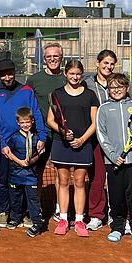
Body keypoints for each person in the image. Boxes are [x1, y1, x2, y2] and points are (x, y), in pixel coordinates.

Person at [83, 49, 132, 232]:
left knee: (122, 180)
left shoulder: (121, 82)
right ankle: (96, 215)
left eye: (112, 63)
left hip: (120, 141)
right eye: (105, 63)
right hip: (96, 140)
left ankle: (125, 217)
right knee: (97, 178)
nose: (108, 66)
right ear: (97, 64)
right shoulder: (87, 84)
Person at [0, 59, 46, 230]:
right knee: (4, 180)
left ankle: (25, 212)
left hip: (26, 144)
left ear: (15, 72)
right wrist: (4, 143)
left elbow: (36, 113)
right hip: (4, 146)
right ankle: (4, 211)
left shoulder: (27, 91)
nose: (7, 77)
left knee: (26, 180)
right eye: (3, 74)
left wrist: (42, 136)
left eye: (10, 73)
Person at [95, 73, 132, 247]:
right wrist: (112, 156)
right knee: (116, 196)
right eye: (112, 87)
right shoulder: (104, 109)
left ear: (126, 88)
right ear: (108, 89)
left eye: (120, 87)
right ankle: (117, 227)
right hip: (114, 162)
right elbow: (101, 135)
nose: (116, 90)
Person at [47, 59, 99, 237]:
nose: (75, 77)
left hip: (82, 145)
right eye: (72, 74)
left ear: (81, 75)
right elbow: (50, 120)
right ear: (65, 74)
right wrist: (62, 131)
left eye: (78, 74)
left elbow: (95, 122)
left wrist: (82, 139)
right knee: (62, 181)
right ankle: (63, 218)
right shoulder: (56, 94)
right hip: (61, 143)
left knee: (79, 182)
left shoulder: (90, 95)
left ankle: (78, 220)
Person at [25, 43, 66, 223]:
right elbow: (26, 105)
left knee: (60, 172)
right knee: (37, 172)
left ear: (61, 58)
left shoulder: (68, 79)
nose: (52, 59)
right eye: (49, 57)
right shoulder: (34, 80)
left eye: (55, 56)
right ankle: (36, 208)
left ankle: (60, 208)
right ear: (44, 59)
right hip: (40, 134)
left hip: (60, 134)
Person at [5, 108, 45, 238]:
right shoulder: (14, 138)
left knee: (33, 200)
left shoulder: (37, 138)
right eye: (22, 123)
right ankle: (15, 218)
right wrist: (20, 162)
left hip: (30, 176)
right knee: (15, 198)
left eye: (27, 122)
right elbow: (8, 153)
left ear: (32, 121)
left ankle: (37, 223)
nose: (25, 125)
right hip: (15, 174)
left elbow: (39, 154)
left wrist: (31, 161)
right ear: (18, 123)